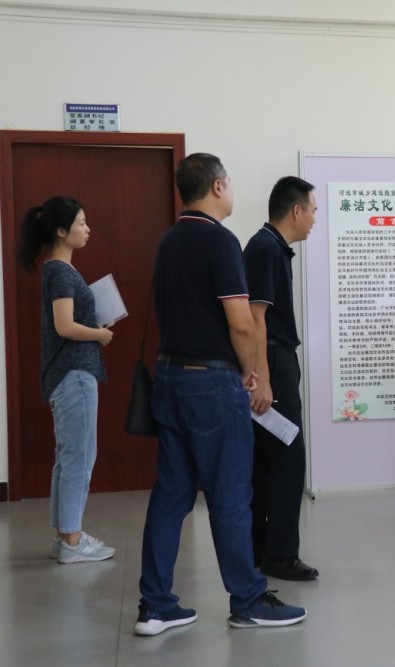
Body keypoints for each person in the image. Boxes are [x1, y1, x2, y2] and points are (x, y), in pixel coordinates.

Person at [134, 153, 306, 636]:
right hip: (212, 384)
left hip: (170, 378)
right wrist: (254, 374)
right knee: (231, 494)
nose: (231, 190)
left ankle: (155, 606)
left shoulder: (169, 240)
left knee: (171, 496)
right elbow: (241, 322)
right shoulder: (220, 240)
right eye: (228, 182)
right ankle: (248, 600)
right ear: (216, 187)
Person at [18, 196, 116, 564]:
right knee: (79, 456)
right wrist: (99, 334)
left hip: (68, 374)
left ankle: (66, 535)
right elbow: (64, 326)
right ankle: (73, 542)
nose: (88, 229)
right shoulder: (60, 271)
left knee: (69, 456)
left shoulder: (58, 270)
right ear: (61, 230)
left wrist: (94, 326)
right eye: (81, 223)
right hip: (74, 375)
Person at [243, 176, 319, 581]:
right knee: (288, 460)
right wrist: (263, 379)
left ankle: (261, 549)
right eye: (313, 210)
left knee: (267, 460)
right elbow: (256, 318)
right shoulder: (265, 249)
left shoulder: (271, 247)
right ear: (296, 210)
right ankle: (281, 555)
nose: (315, 218)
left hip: (273, 358)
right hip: (271, 359)